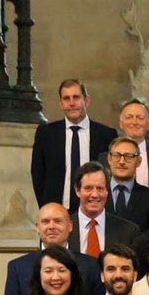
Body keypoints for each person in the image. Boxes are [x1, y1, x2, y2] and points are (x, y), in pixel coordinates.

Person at [30, 79, 117, 209]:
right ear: (61, 103)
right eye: (66, 98)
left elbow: (111, 174)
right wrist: (45, 205)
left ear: (86, 100)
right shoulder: (46, 133)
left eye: (76, 97)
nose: (71, 103)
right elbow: (37, 173)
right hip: (58, 210)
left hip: (95, 210)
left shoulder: (106, 135)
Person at [3, 202, 103, 295]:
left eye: (58, 221)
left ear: (70, 226)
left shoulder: (91, 265)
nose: (51, 226)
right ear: (37, 227)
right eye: (45, 222)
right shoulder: (18, 267)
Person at [105, 135, 149, 231]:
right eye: (117, 155)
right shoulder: (97, 193)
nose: (122, 161)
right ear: (109, 159)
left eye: (128, 156)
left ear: (138, 161)